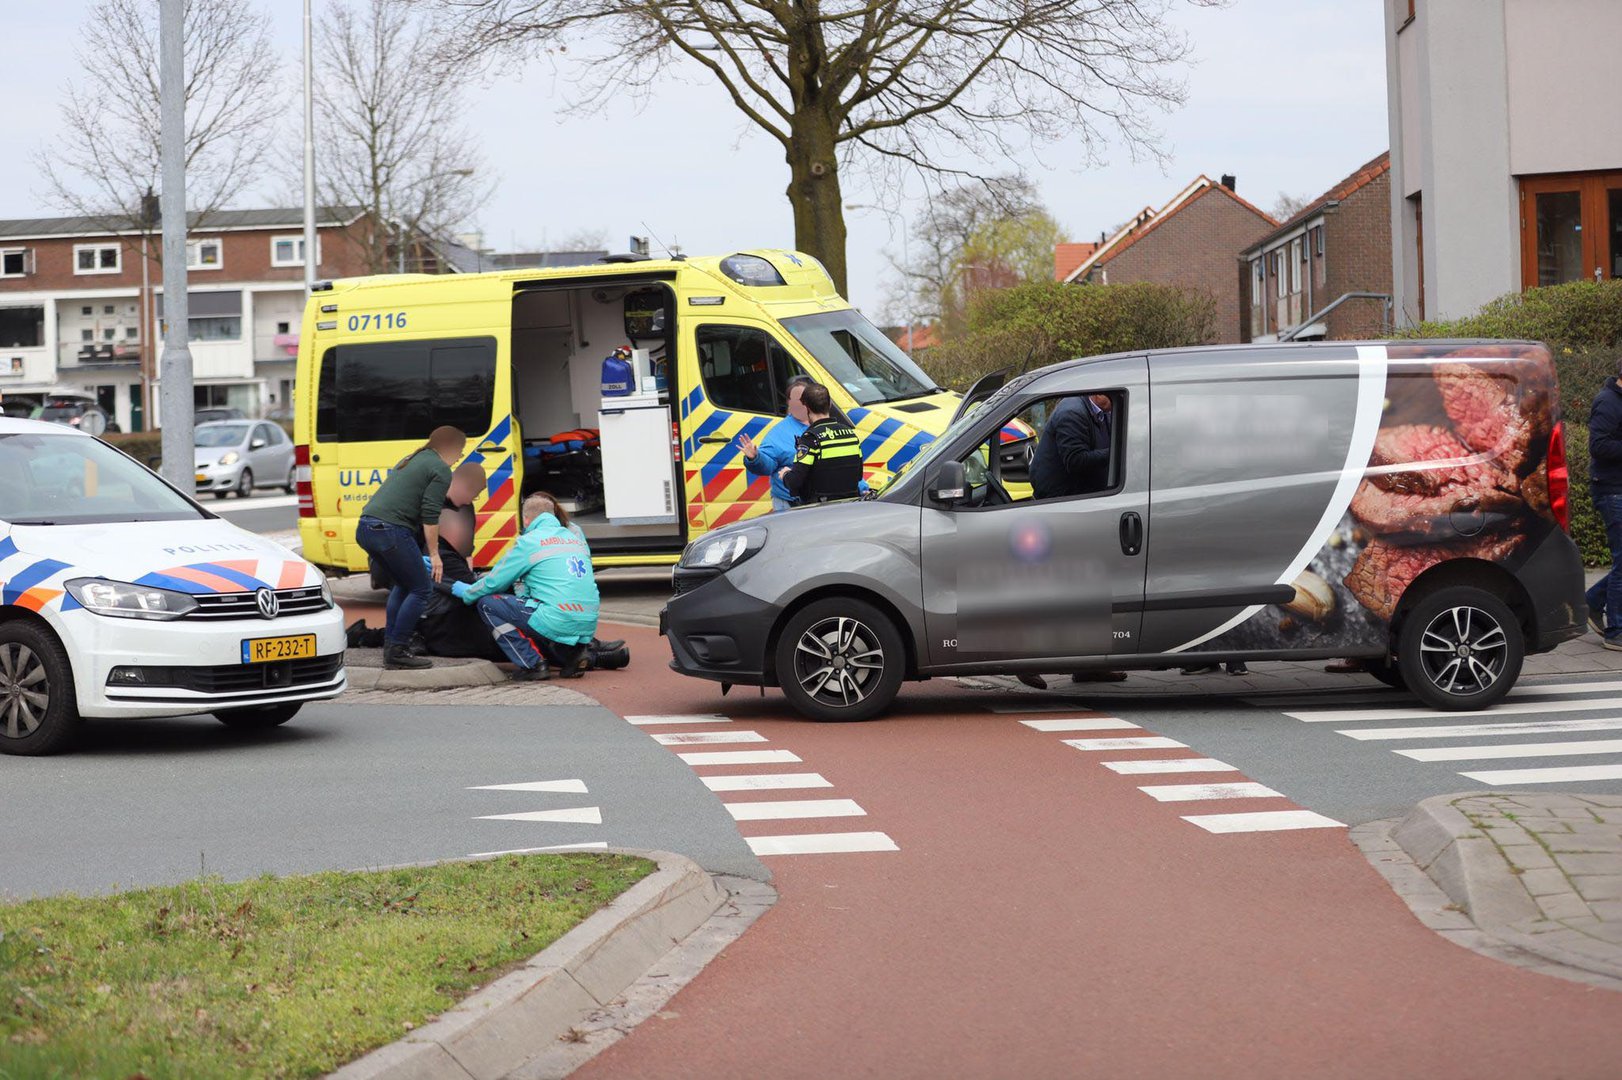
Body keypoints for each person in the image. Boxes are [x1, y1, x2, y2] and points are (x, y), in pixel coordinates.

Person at [453, 493, 600, 681]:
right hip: (588, 620)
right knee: (542, 611)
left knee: (488, 603)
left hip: (557, 617)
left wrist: (467, 592)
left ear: (526, 519)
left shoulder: (529, 541)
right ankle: (573, 654)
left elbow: (495, 582)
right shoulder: (574, 537)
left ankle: (532, 664)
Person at [354, 425, 467, 669]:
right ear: (448, 447)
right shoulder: (440, 469)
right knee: (422, 588)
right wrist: (435, 555)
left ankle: (391, 646)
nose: (460, 457)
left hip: (366, 528)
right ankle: (398, 649)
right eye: (460, 451)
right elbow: (430, 515)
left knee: (404, 585)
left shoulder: (413, 458)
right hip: (390, 531)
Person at [777, 382, 863, 505]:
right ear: (830, 404)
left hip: (821, 510)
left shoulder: (810, 439)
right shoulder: (851, 435)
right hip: (850, 506)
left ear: (807, 408)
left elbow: (795, 481)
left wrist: (785, 474)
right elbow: (858, 475)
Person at [1588, 359, 1622, 651]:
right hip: (1612, 492)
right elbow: (1598, 445)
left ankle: (1593, 601)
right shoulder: (1608, 402)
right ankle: (1616, 631)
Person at [1029, 393, 1113, 501]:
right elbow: (1076, 460)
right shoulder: (1072, 412)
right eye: (1113, 396)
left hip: (1082, 493)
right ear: (1099, 394)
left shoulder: (1103, 411)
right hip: (1061, 499)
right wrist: (1116, 453)